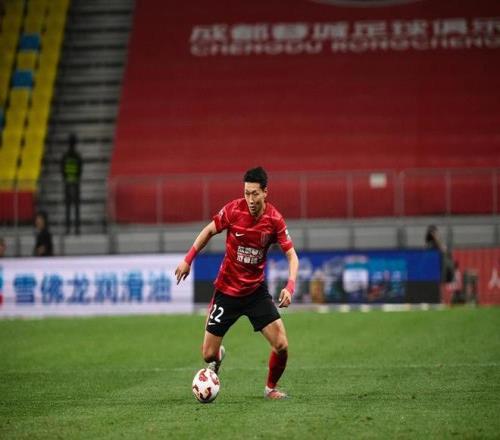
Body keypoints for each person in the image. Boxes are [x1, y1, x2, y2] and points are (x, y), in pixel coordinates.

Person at [175, 166, 299, 400]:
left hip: (255, 292)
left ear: (265, 192)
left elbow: (292, 256)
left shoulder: (274, 219)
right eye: (246, 193)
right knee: (208, 355)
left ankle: (270, 388)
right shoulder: (233, 210)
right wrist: (188, 259)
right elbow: (208, 231)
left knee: (281, 344)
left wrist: (290, 286)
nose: (250, 199)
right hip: (226, 291)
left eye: (255, 194)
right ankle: (218, 356)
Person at [61, 133, 83, 235]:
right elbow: (80, 170)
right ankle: (76, 229)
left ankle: (69, 228)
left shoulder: (65, 156)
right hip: (75, 183)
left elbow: (62, 170)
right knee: (75, 207)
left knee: (68, 207)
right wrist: (74, 178)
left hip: (68, 183)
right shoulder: (77, 156)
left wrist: (67, 178)